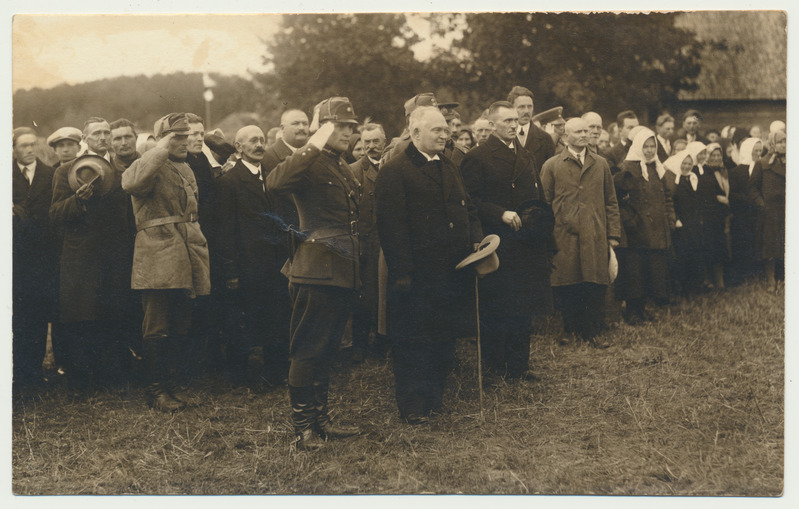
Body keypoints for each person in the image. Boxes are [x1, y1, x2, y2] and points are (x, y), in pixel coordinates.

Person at [265, 97, 362, 450]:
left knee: (327, 348)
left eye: (352, 127)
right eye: (341, 126)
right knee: (307, 349)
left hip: (342, 268)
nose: (349, 133)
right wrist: (312, 143)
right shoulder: (310, 160)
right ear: (323, 129)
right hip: (316, 270)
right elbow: (275, 183)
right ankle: (303, 429)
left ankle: (321, 420)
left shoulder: (339, 164)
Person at [376, 106, 483, 424]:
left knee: (442, 338)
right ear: (415, 132)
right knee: (413, 341)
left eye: (445, 129)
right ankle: (412, 404)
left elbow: (467, 207)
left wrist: (476, 238)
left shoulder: (449, 165)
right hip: (416, 277)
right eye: (436, 129)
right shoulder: (395, 170)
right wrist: (403, 274)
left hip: (450, 272)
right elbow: (391, 228)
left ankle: (435, 399)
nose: (444, 134)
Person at [121, 113, 211, 412]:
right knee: (157, 325)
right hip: (158, 252)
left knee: (180, 322)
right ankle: (156, 391)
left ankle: (170, 384)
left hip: (187, 251)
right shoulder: (148, 163)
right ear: (162, 140)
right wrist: (160, 148)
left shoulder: (184, 168)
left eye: (186, 137)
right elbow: (131, 182)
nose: (184, 142)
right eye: (176, 137)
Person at [460, 101, 553, 379]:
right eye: (506, 122)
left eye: (515, 121)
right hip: (498, 241)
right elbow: (470, 202)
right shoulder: (478, 157)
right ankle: (494, 365)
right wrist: (499, 213)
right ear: (492, 125)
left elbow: (538, 196)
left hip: (525, 242)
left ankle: (519, 365)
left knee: (523, 305)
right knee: (497, 305)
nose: (513, 125)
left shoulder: (526, 155)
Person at [50, 117, 137, 391]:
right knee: (82, 317)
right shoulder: (66, 171)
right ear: (85, 139)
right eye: (96, 133)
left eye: (106, 132)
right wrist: (78, 201)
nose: (103, 137)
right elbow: (55, 214)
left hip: (113, 257)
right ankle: (80, 383)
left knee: (112, 316)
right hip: (82, 258)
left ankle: (111, 378)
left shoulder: (119, 172)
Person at [216, 125, 290, 386]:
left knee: (275, 317)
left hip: (274, 264)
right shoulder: (229, 181)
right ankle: (239, 376)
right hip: (247, 265)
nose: (259, 145)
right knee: (242, 320)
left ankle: (275, 373)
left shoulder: (270, 176)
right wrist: (231, 271)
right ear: (239, 148)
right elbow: (225, 230)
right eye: (253, 141)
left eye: (262, 140)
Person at [540, 118, 620, 346]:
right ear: (565, 137)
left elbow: (611, 201)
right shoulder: (552, 165)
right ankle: (568, 329)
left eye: (587, 130)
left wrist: (612, 234)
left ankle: (591, 331)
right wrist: (548, 236)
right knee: (567, 282)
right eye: (578, 131)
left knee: (593, 282)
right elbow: (543, 204)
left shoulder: (601, 164)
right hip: (563, 236)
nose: (584, 135)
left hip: (594, 233)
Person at [614, 128, 674, 324]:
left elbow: (666, 196)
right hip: (635, 231)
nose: (649, 150)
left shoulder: (657, 168)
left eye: (652, 146)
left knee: (650, 271)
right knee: (635, 272)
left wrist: (668, 219)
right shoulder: (627, 168)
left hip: (654, 229)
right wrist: (630, 221)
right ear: (638, 147)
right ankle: (632, 311)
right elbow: (618, 200)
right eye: (645, 146)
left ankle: (642, 309)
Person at [12, 127, 57, 390]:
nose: (29, 150)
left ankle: (36, 375)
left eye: (32, 144)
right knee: (18, 318)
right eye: (23, 146)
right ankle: (20, 374)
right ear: (13, 149)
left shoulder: (50, 174)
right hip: (15, 260)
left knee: (39, 317)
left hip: (42, 259)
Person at [349, 123, 388, 362]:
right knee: (364, 297)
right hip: (365, 244)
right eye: (367, 142)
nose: (372, 147)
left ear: (385, 141)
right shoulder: (353, 171)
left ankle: (384, 343)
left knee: (386, 297)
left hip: (387, 242)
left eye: (376, 141)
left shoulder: (393, 167)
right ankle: (360, 346)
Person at [750, 129, 786, 291]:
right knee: (770, 245)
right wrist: (761, 203)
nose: (784, 145)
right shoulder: (763, 163)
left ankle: (785, 278)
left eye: (786, 141)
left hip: (787, 210)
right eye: (780, 142)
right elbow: (752, 187)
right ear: (772, 144)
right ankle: (771, 280)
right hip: (770, 211)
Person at [728, 137, 764, 285]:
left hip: (757, 212)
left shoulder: (762, 168)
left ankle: (756, 271)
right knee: (742, 242)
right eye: (755, 150)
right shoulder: (736, 171)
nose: (758, 154)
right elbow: (733, 194)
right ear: (748, 151)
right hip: (742, 213)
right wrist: (750, 200)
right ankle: (742, 273)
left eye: (760, 151)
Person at [508, 85, 555, 168]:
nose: (526, 111)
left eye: (529, 106)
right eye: (521, 107)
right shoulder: (501, 137)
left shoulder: (545, 139)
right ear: (511, 108)